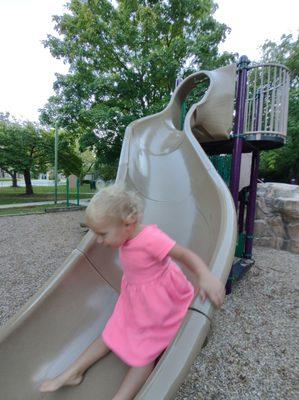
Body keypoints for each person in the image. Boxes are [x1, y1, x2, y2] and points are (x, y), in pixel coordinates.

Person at [39, 185, 225, 400]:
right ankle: (73, 372)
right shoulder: (124, 234)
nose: (98, 240)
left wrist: (205, 275)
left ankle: (122, 397)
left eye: (102, 234)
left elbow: (183, 254)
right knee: (113, 331)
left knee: (146, 351)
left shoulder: (151, 239)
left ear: (128, 223)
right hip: (137, 297)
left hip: (160, 303)